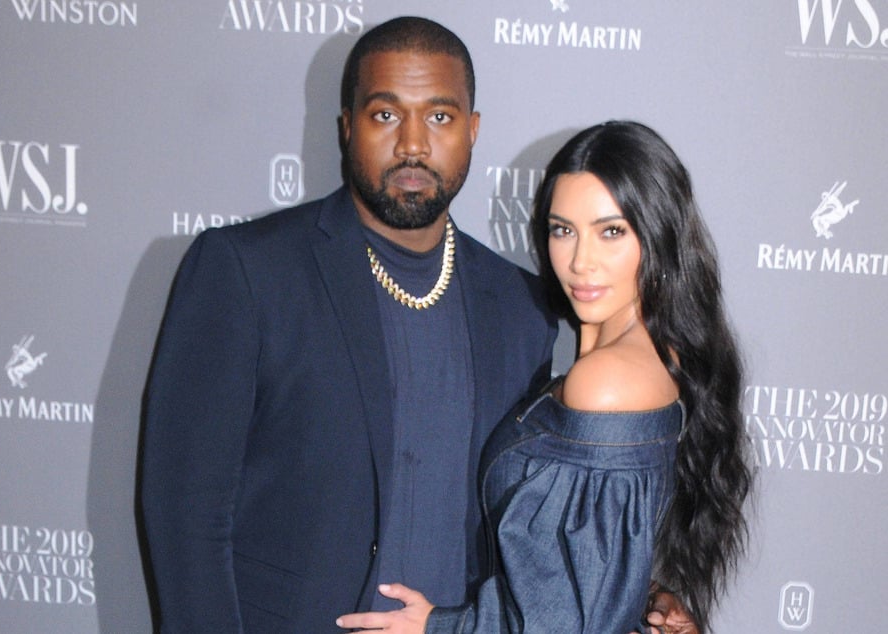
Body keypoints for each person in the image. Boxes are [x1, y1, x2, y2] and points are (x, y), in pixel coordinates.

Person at [141, 15, 698, 633]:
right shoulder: (246, 271)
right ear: (346, 126)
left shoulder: (521, 305)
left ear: (472, 130)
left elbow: (529, 518)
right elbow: (184, 514)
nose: (413, 144)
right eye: (385, 115)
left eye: (439, 117)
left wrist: (639, 591)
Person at [337, 121, 752, 633]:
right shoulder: (657, 358)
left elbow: (558, 620)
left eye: (611, 231)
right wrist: (650, 592)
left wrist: (437, 627)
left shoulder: (605, 382)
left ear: (659, 235)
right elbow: (597, 564)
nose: (580, 261)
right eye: (563, 230)